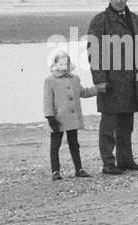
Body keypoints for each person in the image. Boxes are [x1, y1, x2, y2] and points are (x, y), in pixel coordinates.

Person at [87, 0, 138, 174]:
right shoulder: (100, 20)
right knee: (108, 127)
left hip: (131, 81)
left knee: (126, 125)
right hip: (111, 81)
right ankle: (108, 163)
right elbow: (93, 52)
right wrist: (100, 80)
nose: (119, 1)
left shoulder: (135, 19)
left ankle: (125, 160)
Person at [43, 51, 104, 180]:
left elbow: (83, 92)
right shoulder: (49, 80)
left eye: (66, 63)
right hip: (57, 118)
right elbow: (47, 101)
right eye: (61, 63)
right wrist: (50, 117)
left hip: (72, 119)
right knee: (55, 145)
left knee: (74, 144)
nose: (64, 66)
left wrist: (98, 89)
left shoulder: (74, 79)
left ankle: (79, 169)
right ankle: (55, 171)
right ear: (55, 64)